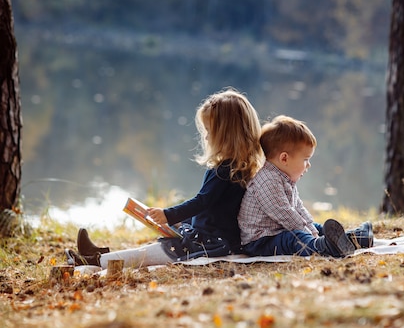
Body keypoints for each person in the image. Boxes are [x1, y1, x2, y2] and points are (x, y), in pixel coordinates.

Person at [65, 87, 264, 268]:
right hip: (215, 237)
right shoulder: (240, 168)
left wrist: (168, 214)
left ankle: (93, 260)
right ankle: (99, 256)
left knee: (152, 253)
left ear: (226, 134)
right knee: (163, 243)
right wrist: (177, 221)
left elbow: (202, 202)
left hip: (210, 243)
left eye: (210, 131)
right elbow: (213, 209)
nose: (205, 137)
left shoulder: (224, 171)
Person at [238, 115, 373, 258]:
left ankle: (355, 238)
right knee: (294, 238)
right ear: (284, 158)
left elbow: (298, 208)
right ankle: (321, 247)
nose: (308, 165)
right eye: (305, 159)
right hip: (260, 241)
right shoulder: (266, 181)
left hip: (277, 230)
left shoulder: (284, 178)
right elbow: (286, 215)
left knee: (315, 226)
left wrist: (311, 228)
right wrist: (311, 235)